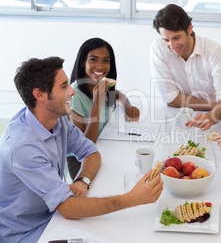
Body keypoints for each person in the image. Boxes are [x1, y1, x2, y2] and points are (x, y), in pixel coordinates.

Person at [0, 57, 163, 242]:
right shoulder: (23, 147)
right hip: (26, 234)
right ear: (40, 95)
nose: (72, 91)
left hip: (53, 217)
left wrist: (82, 180)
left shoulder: (57, 119)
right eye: (63, 87)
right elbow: (68, 208)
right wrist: (131, 199)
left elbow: (91, 152)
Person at [150, 4, 221, 131]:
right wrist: (213, 105)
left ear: (189, 29)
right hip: (177, 120)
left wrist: (211, 117)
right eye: (166, 40)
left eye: (176, 38)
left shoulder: (214, 52)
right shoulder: (158, 48)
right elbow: (170, 98)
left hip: (214, 120)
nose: (172, 45)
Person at [68, 37, 140, 179]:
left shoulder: (102, 84)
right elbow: (85, 143)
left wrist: (128, 107)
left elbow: (117, 95)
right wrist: (96, 104)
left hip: (103, 147)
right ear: (83, 62)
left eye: (106, 60)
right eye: (93, 59)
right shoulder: (74, 95)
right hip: (81, 160)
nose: (100, 66)